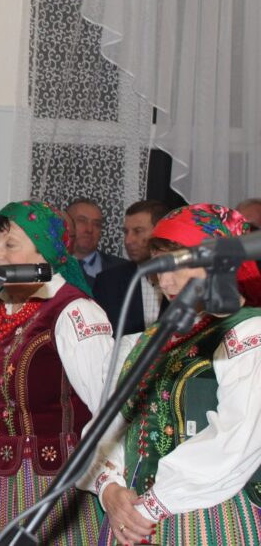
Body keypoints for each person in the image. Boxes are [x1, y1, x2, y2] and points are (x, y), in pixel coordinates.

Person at [86, 204, 261, 545]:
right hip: (133, 515)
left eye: (177, 265)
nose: (164, 282)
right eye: (158, 268)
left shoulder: (248, 331)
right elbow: (115, 421)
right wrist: (110, 487)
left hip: (208, 516)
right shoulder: (157, 336)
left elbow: (236, 439)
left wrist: (152, 504)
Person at [0, 201, 113, 545]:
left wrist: (111, 482)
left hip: (46, 483)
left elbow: (108, 410)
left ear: (44, 252)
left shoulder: (74, 312)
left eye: (10, 244)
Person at [93, 200, 170, 333]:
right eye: (126, 232)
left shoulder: (184, 279)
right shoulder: (108, 283)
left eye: (138, 231)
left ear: (160, 232)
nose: (128, 240)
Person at [67, 197, 124, 281]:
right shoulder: (50, 266)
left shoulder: (123, 269)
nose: (89, 229)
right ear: (67, 224)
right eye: (82, 221)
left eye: (96, 224)